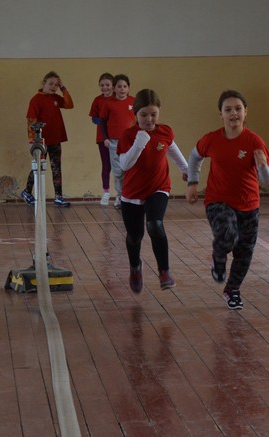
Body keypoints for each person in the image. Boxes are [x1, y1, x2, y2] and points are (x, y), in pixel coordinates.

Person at [186, 90, 269, 310]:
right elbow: (195, 157)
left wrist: (263, 166)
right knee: (227, 234)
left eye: (238, 109)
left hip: (249, 205)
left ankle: (232, 290)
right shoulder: (212, 139)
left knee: (244, 252)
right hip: (218, 201)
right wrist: (192, 183)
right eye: (228, 110)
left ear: (245, 112)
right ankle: (218, 258)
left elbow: (267, 179)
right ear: (221, 114)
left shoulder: (254, 141)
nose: (233, 113)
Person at [117, 89, 188, 293]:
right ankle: (135, 267)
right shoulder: (128, 135)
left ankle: (164, 271)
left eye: (153, 114)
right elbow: (124, 165)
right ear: (136, 114)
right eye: (144, 115)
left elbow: (172, 149)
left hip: (158, 187)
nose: (149, 119)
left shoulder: (165, 131)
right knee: (134, 236)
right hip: (132, 193)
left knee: (155, 225)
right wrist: (139, 143)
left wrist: (186, 169)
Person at [21, 71, 74, 207]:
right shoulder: (36, 99)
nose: (53, 87)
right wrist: (33, 141)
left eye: (56, 85)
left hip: (55, 139)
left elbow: (69, 104)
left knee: (56, 168)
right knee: (38, 167)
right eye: (51, 84)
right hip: (41, 141)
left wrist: (63, 88)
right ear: (43, 83)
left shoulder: (55, 98)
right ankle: (26, 192)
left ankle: (58, 197)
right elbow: (31, 120)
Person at [100, 74, 135, 209]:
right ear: (114, 88)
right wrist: (105, 138)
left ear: (128, 88)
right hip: (114, 142)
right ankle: (120, 197)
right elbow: (102, 122)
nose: (122, 89)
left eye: (125, 86)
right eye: (119, 86)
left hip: (131, 142)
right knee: (118, 171)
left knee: (131, 169)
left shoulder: (134, 102)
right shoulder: (109, 103)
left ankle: (131, 196)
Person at [88, 72, 114, 206]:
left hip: (117, 137)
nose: (105, 87)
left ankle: (122, 194)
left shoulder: (117, 99)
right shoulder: (97, 100)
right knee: (106, 165)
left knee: (121, 165)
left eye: (107, 85)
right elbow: (94, 118)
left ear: (113, 85)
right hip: (102, 138)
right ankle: (106, 192)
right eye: (102, 85)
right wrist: (103, 121)